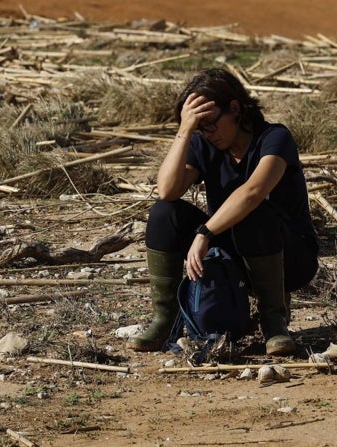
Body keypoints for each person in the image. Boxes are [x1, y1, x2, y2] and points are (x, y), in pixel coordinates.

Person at [130, 68, 319, 356]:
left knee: (252, 213)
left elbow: (252, 193)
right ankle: (164, 320)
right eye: (200, 127)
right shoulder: (204, 142)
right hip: (234, 253)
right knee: (164, 213)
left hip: (288, 258)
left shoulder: (274, 138)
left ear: (235, 108)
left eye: (210, 124)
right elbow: (168, 190)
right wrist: (185, 131)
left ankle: (274, 323)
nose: (207, 133)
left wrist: (205, 232)